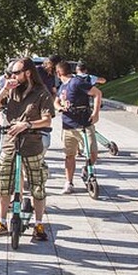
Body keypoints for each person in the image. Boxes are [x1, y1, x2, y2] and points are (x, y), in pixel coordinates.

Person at [0, 57, 53, 241]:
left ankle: (39, 225)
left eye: (16, 72)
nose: (12, 75)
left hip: (32, 145)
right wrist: (6, 89)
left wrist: (27, 124)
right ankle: (1, 221)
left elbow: (47, 120)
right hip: (9, 144)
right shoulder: (11, 91)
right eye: (11, 73)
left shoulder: (41, 93)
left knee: (37, 186)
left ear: (28, 73)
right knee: (3, 185)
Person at [55, 61, 102, 195]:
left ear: (58, 73)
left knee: (92, 152)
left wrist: (95, 113)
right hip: (68, 124)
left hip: (84, 123)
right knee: (69, 155)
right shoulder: (62, 87)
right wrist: (59, 108)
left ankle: (87, 169)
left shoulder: (76, 82)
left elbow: (97, 93)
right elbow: (56, 101)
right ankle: (69, 182)